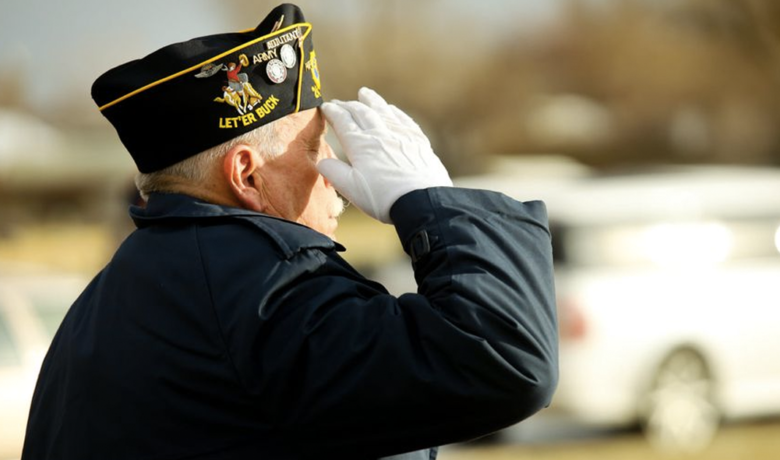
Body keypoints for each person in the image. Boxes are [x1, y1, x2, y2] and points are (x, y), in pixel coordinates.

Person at [22, 4, 558, 460]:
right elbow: (508, 361)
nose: (339, 180)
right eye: (315, 150)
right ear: (247, 174)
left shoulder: (110, 296)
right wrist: (432, 203)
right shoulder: (268, 290)